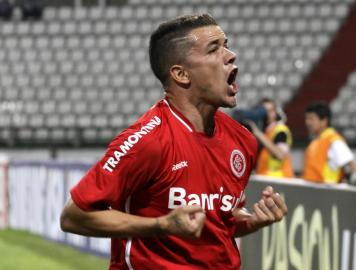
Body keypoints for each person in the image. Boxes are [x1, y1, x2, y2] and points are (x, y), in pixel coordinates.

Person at [60, 14, 288, 270]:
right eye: (214, 49)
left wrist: (252, 220)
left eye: (226, 44)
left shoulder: (243, 141)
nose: (230, 54)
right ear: (181, 74)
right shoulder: (148, 141)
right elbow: (74, 217)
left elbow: (218, 222)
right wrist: (161, 226)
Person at [302, 101, 356, 185]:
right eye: (306, 118)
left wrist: (355, 176)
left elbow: (350, 160)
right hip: (315, 189)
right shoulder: (318, 140)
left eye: (311, 119)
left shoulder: (332, 139)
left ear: (324, 121)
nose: (307, 122)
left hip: (326, 191)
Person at [248, 98, 294, 178]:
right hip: (266, 178)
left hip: (280, 180)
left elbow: (280, 154)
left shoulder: (280, 130)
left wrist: (257, 133)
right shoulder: (266, 132)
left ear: (276, 112)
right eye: (265, 111)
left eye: (271, 110)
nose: (268, 114)